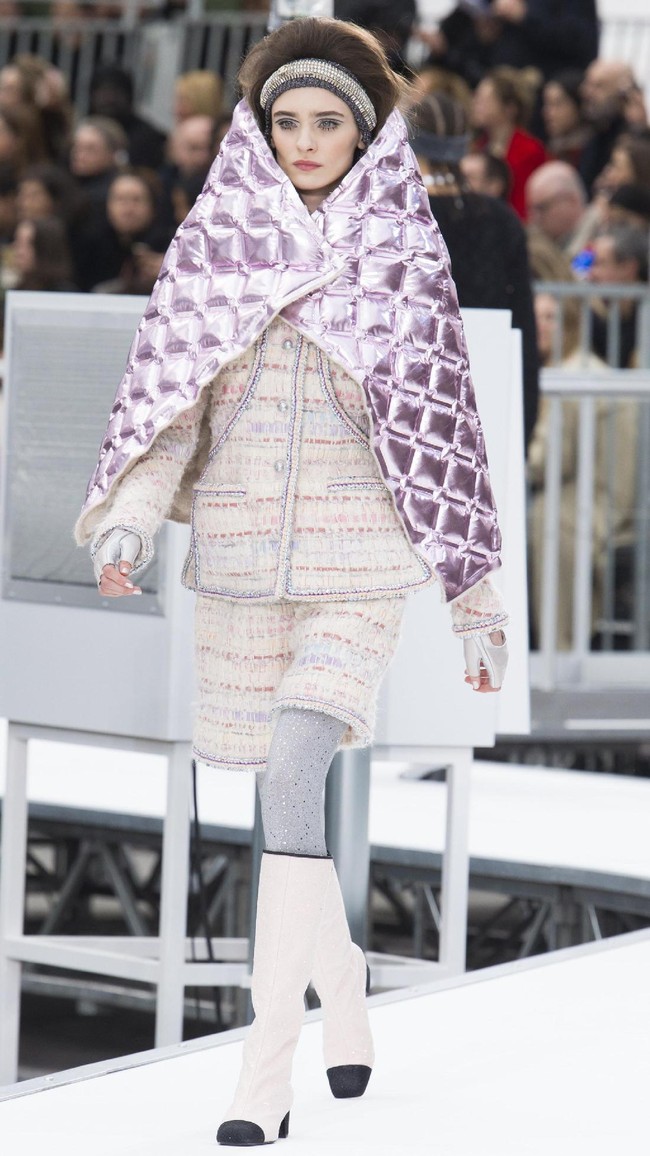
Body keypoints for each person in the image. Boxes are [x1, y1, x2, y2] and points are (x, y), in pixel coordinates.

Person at [75, 17, 509, 1147]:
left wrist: (474, 602)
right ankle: (343, 981)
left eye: (327, 123)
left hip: (357, 568)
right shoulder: (215, 248)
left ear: (364, 134)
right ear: (259, 131)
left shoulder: (401, 257)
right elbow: (170, 416)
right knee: (280, 801)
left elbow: (443, 439)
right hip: (235, 571)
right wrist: (128, 522)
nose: (305, 141)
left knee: (293, 770)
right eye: (286, 122)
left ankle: (261, 1074)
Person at [412, 91, 539, 446]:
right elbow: (523, 323)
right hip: (489, 390)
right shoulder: (500, 219)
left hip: (414, 386)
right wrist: (523, 418)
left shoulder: (398, 215)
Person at [528, 291, 637, 649]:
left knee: (546, 518)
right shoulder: (580, 368)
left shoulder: (568, 377)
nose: (540, 326)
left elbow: (547, 461)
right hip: (607, 494)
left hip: (600, 500)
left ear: (571, 324)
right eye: (535, 316)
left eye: (550, 317)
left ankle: (556, 646)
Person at [471, 65, 547, 219]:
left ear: (510, 109)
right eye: (477, 98)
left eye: (484, 100)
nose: (476, 105)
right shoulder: (478, 146)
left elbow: (526, 206)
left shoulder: (530, 151)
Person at [525, 160, 588, 252]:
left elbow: (575, 261)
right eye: (531, 209)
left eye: (542, 208)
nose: (534, 218)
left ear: (571, 201)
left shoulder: (598, 238)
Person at [541, 69, 591, 168]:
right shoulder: (550, 150)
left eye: (558, 104)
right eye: (547, 104)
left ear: (578, 106)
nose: (548, 113)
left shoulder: (590, 152)